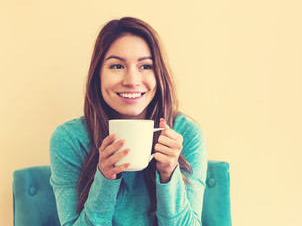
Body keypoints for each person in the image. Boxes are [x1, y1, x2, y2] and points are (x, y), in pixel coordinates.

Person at [49, 17, 207, 226]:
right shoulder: (69, 140)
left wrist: (169, 175)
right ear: (98, 75)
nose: (132, 81)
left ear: (159, 75)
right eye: (116, 66)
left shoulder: (185, 134)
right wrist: (105, 178)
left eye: (145, 66)